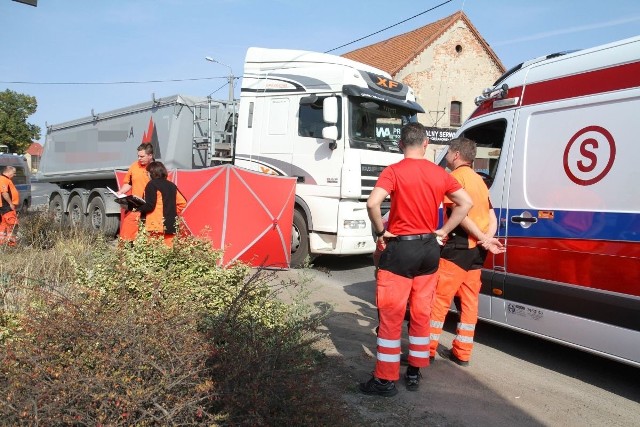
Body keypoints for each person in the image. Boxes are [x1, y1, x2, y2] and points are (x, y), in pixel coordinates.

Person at [360, 122, 472, 396]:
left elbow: (373, 203)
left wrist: (380, 231)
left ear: (401, 145)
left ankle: (385, 381)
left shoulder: (394, 171)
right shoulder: (440, 174)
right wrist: (443, 231)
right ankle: (414, 371)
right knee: (421, 312)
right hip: (429, 250)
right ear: (425, 144)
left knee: (391, 315)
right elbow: (465, 203)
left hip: (400, 250)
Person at [429, 137, 504, 367]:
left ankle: (426, 350)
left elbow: (461, 215)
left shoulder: (454, 178)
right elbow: (492, 216)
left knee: (438, 300)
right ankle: (462, 353)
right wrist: (487, 239)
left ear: (456, 155)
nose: (448, 156)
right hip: (477, 253)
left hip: (459, 247)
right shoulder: (480, 181)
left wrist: (480, 238)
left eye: (449, 152)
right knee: (469, 303)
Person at [137, 161, 187, 247]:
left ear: (151, 173)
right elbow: (183, 203)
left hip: (155, 226)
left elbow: (149, 206)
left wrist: (137, 206)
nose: (147, 175)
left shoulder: (151, 184)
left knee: (153, 255)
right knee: (167, 255)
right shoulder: (172, 185)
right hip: (171, 225)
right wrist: (172, 212)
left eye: (147, 173)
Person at [117, 143, 154, 241]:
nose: (139, 158)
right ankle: (123, 254)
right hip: (135, 206)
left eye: (142, 156)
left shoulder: (156, 168)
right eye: (138, 156)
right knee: (126, 235)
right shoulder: (134, 166)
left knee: (147, 238)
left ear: (150, 156)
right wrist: (120, 192)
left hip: (151, 208)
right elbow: (128, 183)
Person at [0, 166, 20, 246]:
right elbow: (4, 193)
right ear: (8, 172)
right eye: (14, 173)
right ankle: (11, 244)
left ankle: (3, 243)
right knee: (13, 224)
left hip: (5, 207)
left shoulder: (6, 179)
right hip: (7, 207)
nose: (14, 175)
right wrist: (10, 204)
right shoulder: (3, 179)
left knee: (4, 226)